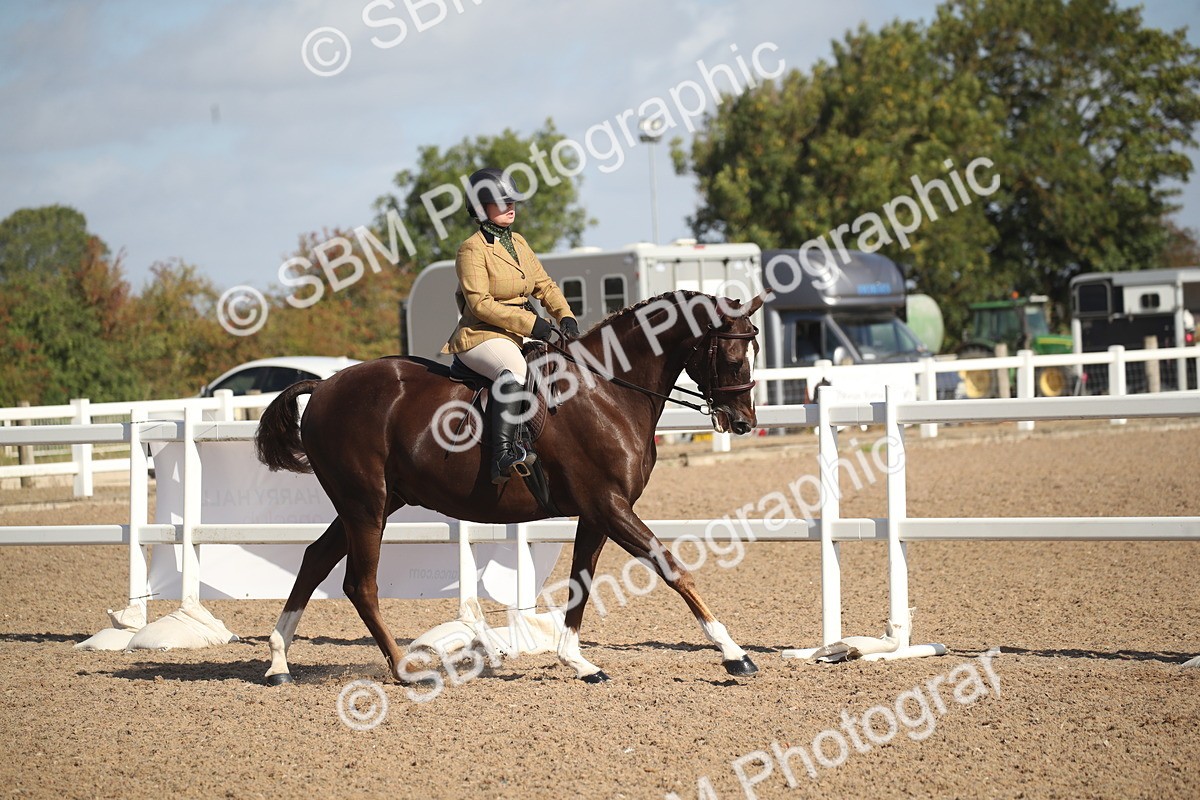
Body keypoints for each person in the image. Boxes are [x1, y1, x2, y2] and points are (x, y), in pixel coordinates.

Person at [442, 167, 580, 484]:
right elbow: (480, 304)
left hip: (520, 332)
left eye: (512, 201)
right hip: (482, 335)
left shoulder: (517, 242)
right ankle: (502, 456)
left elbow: (544, 285)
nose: (510, 207)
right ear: (480, 209)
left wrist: (564, 315)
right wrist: (533, 324)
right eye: (501, 202)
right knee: (515, 371)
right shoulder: (471, 249)